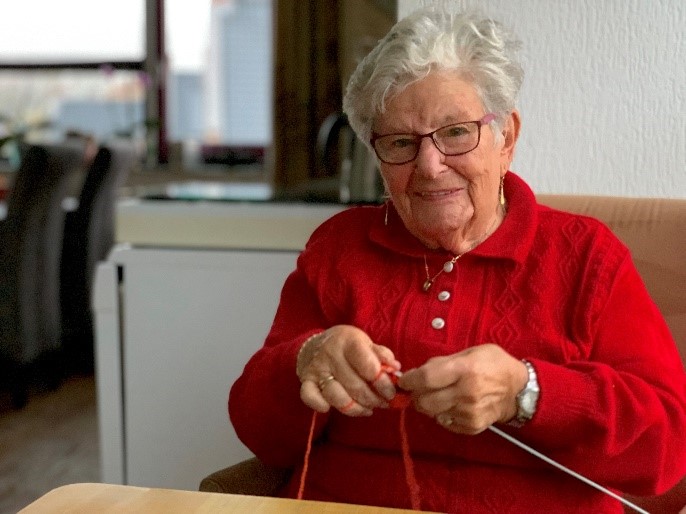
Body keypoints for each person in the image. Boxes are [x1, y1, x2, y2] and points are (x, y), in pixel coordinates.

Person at [229, 6, 686, 513]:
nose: (429, 166)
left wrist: (526, 393)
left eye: (455, 133)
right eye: (400, 142)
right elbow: (260, 433)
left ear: (506, 137)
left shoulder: (585, 255)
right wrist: (304, 360)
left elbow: (668, 448)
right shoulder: (340, 247)